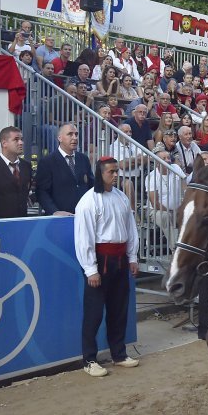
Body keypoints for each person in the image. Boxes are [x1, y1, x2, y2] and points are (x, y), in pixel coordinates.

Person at [75, 156, 140, 377]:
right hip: (100, 262)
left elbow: (130, 228)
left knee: (118, 309)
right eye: (111, 172)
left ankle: (119, 354)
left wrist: (132, 257)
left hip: (120, 259)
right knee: (93, 313)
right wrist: (90, 269)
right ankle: (89, 359)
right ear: (100, 173)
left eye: (116, 172)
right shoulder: (88, 201)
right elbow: (84, 237)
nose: (115, 175)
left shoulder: (121, 197)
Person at [35, 124, 93, 216]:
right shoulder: (47, 162)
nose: (74, 137)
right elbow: (42, 191)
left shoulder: (83, 159)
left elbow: (91, 184)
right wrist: (54, 211)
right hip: (60, 218)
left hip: (84, 216)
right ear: (60, 138)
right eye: (70, 134)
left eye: (76, 134)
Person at [145, 144, 185, 246]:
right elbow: (155, 203)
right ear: (157, 162)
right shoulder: (152, 177)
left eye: (168, 157)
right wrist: (171, 211)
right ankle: (175, 248)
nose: (168, 160)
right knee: (165, 216)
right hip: (156, 211)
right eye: (164, 158)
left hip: (176, 210)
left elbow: (185, 186)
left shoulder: (175, 167)